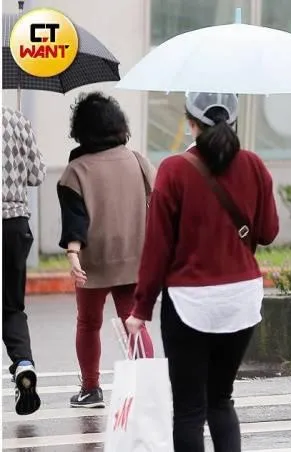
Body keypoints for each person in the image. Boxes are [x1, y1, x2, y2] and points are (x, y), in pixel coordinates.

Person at [125, 92, 279, 452]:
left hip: (189, 302)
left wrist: (140, 310)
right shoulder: (254, 165)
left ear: (190, 123)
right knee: (221, 400)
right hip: (242, 301)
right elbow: (269, 232)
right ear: (234, 121)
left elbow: (157, 248)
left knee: (190, 411)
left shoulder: (174, 170)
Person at [57, 92, 156, 408]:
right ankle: (147, 386)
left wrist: (73, 254)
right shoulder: (138, 160)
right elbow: (159, 201)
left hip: (93, 264)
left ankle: (91, 389)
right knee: (133, 321)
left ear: (81, 129)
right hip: (134, 258)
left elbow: (75, 221)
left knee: (88, 323)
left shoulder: (76, 171)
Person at [2, 106, 45, 416]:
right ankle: (23, 364)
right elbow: (37, 174)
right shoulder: (18, 120)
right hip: (14, 225)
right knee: (11, 306)